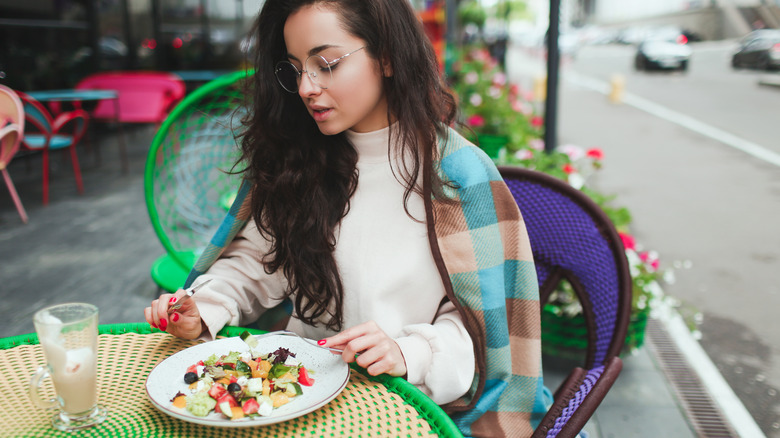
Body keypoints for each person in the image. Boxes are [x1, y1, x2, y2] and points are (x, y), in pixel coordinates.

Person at [145, 0, 545, 435]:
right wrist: (204, 307)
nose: (306, 88)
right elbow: (257, 264)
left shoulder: (454, 175)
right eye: (295, 68)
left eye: (326, 64)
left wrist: (407, 352)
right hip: (297, 397)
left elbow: (485, 330)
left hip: (407, 408)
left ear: (387, 57)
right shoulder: (297, 157)